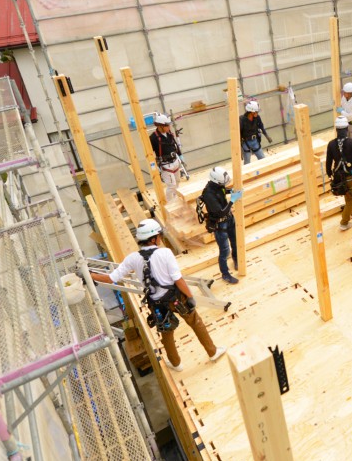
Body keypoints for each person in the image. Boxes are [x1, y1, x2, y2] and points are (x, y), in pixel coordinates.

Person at [90, 218, 226, 372]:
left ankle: (176, 364)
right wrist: (190, 297)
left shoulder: (133, 258)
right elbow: (178, 279)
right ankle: (212, 352)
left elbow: (111, 278)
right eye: (159, 236)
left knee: (166, 332)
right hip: (176, 298)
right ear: (153, 238)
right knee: (195, 321)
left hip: (156, 303)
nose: (161, 238)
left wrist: (91, 275)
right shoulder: (165, 253)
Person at [200, 167, 242, 284]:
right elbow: (220, 212)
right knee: (224, 251)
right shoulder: (208, 194)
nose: (224, 185)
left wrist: (232, 191)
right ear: (216, 181)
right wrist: (232, 200)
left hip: (229, 219)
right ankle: (225, 274)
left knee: (235, 242)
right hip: (220, 225)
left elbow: (223, 190)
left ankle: (236, 260)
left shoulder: (218, 186)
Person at [325, 116, 352, 231]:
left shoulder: (331, 144)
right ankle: (344, 222)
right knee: (351, 198)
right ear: (347, 129)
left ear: (336, 130)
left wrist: (329, 174)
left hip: (338, 177)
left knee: (348, 195)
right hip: (350, 176)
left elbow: (329, 162)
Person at [149, 113, 185, 202]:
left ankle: (176, 199)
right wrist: (154, 166)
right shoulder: (153, 138)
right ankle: (171, 204)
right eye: (167, 125)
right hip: (166, 165)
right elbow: (149, 154)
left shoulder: (169, 133)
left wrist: (180, 155)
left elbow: (175, 144)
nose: (169, 127)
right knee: (171, 185)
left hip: (175, 161)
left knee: (177, 181)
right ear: (160, 126)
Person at [239, 100, 273, 164]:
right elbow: (238, 134)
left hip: (255, 142)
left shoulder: (257, 118)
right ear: (251, 111)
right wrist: (240, 148)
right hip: (246, 143)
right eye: (256, 112)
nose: (257, 113)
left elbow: (261, 127)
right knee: (247, 163)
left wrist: (267, 136)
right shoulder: (242, 120)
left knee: (263, 159)